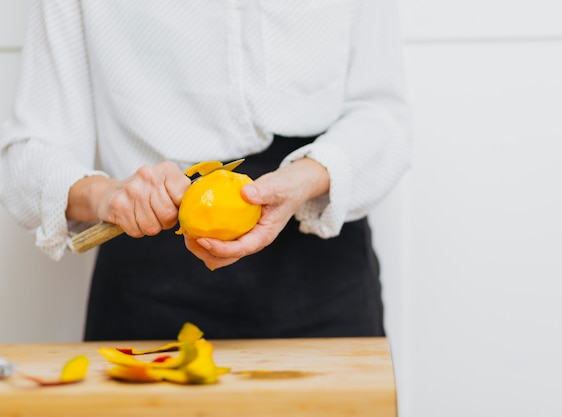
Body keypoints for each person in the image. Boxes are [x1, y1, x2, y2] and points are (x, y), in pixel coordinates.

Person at [0, 1, 411, 341]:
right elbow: (29, 155)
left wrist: (304, 178)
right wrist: (108, 196)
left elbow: (383, 115)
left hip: (322, 276)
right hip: (148, 287)